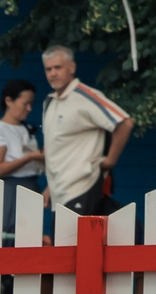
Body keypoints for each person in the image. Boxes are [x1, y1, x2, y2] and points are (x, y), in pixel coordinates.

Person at [39, 46, 132, 217]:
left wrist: (110, 160)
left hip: (82, 186)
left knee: (77, 242)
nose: (52, 73)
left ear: (72, 67)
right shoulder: (49, 102)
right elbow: (56, 150)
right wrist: (49, 188)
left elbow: (124, 122)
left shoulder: (85, 96)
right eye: (48, 69)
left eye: (57, 67)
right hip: (59, 192)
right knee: (62, 243)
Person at [0, 79, 46, 187]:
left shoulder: (26, 127)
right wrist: (29, 157)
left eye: (31, 104)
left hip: (32, 183)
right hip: (12, 186)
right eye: (25, 104)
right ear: (9, 101)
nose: (29, 109)